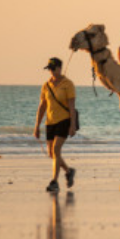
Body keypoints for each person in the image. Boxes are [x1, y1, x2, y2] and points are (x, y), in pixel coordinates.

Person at [34, 58, 77, 192]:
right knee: (52, 153)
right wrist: (37, 126)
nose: (51, 71)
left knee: (56, 149)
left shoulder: (68, 84)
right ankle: (69, 171)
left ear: (59, 68)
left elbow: (71, 106)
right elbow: (42, 107)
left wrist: (73, 125)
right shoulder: (46, 85)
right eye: (49, 69)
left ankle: (54, 181)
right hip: (50, 122)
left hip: (64, 121)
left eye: (53, 68)